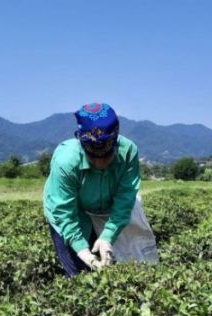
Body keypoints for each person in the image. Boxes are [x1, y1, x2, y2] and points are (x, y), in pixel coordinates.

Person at [43, 102, 141, 277]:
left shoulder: (128, 152)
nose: (99, 163)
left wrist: (107, 236)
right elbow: (64, 211)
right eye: (92, 157)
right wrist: (82, 250)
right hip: (72, 214)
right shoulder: (66, 161)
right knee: (78, 274)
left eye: (106, 156)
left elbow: (125, 198)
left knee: (113, 266)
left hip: (106, 210)